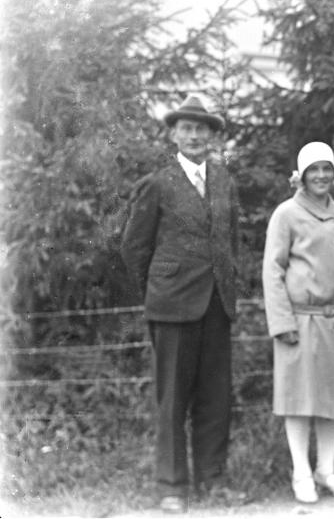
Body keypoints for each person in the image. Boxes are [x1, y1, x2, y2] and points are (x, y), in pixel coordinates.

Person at [120, 94, 240, 513]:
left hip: (216, 304)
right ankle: (171, 486)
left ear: (212, 136)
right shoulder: (157, 184)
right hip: (172, 306)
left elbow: (231, 241)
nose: (195, 135)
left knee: (215, 397)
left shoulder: (224, 181)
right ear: (173, 134)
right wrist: (158, 291)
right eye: (186, 128)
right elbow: (134, 247)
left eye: (202, 128)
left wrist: (228, 286)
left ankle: (213, 480)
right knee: (172, 399)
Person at [262, 142, 334, 504]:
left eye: (327, 168)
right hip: (301, 320)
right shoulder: (287, 213)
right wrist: (282, 322)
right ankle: (301, 473)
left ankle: (326, 470)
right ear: (301, 175)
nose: (321, 176)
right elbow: (273, 270)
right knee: (299, 399)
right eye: (314, 170)